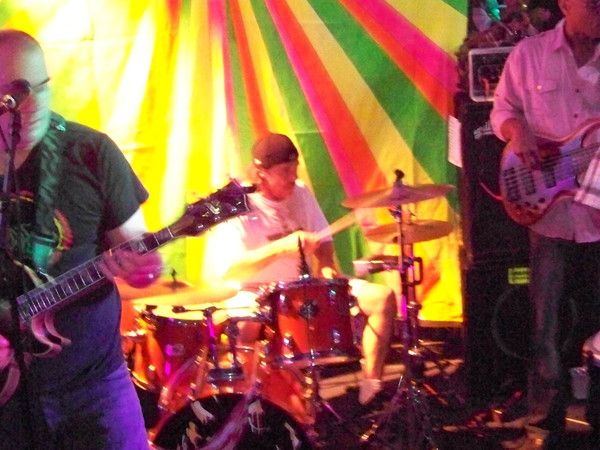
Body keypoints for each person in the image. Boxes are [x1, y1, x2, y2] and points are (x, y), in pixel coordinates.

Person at [0, 30, 163, 449]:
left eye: (41, 87)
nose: (34, 105)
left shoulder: (92, 152)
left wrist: (145, 268)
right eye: (16, 96)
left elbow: (139, 255)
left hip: (94, 388)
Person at [214, 133, 397, 407]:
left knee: (382, 298)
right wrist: (281, 248)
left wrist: (325, 264)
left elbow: (324, 239)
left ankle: (371, 386)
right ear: (262, 173)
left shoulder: (300, 193)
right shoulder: (237, 206)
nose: (294, 176)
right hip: (254, 290)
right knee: (244, 326)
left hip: (301, 287)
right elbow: (231, 270)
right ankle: (244, 403)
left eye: (295, 168)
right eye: (285, 171)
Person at [491, 1, 600, 447]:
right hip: (549, 210)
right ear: (564, 4)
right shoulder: (529, 55)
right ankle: (542, 426)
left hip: (597, 212)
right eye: (591, 2)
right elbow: (502, 110)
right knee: (546, 326)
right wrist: (518, 131)